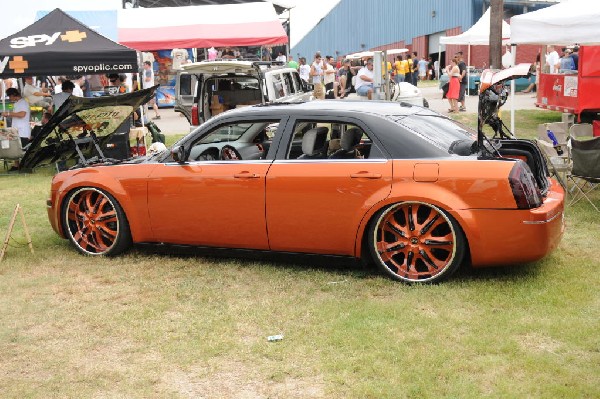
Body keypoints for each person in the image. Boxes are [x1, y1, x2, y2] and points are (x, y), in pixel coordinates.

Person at [2, 88, 31, 169]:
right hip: (17, 129)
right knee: (16, 148)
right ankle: (16, 165)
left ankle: (25, 165)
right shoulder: (16, 104)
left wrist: (8, 114)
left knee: (22, 149)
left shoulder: (23, 103)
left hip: (23, 130)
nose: (9, 98)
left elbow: (22, 114)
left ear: (14, 95)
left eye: (10, 96)